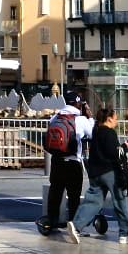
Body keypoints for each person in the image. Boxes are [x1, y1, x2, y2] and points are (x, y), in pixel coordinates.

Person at [76, 107, 128, 242]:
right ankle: (125, 233)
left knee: (93, 201)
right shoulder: (109, 133)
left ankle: (76, 226)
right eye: (115, 118)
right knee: (120, 201)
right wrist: (125, 147)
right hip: (110, 172)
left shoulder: (96, 131)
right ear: (109, 119)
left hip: (95, 173)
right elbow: (114, 153)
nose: (116, 121)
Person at [41, 96, 87, 243]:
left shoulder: (55, 117)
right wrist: (89, 115)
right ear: (78, 104)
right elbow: (92, 133)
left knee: (55, 191)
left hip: (56, 161)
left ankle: (51, 221)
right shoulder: (80, 120)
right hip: (73, 162)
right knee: (74, 195)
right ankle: (73, 224)